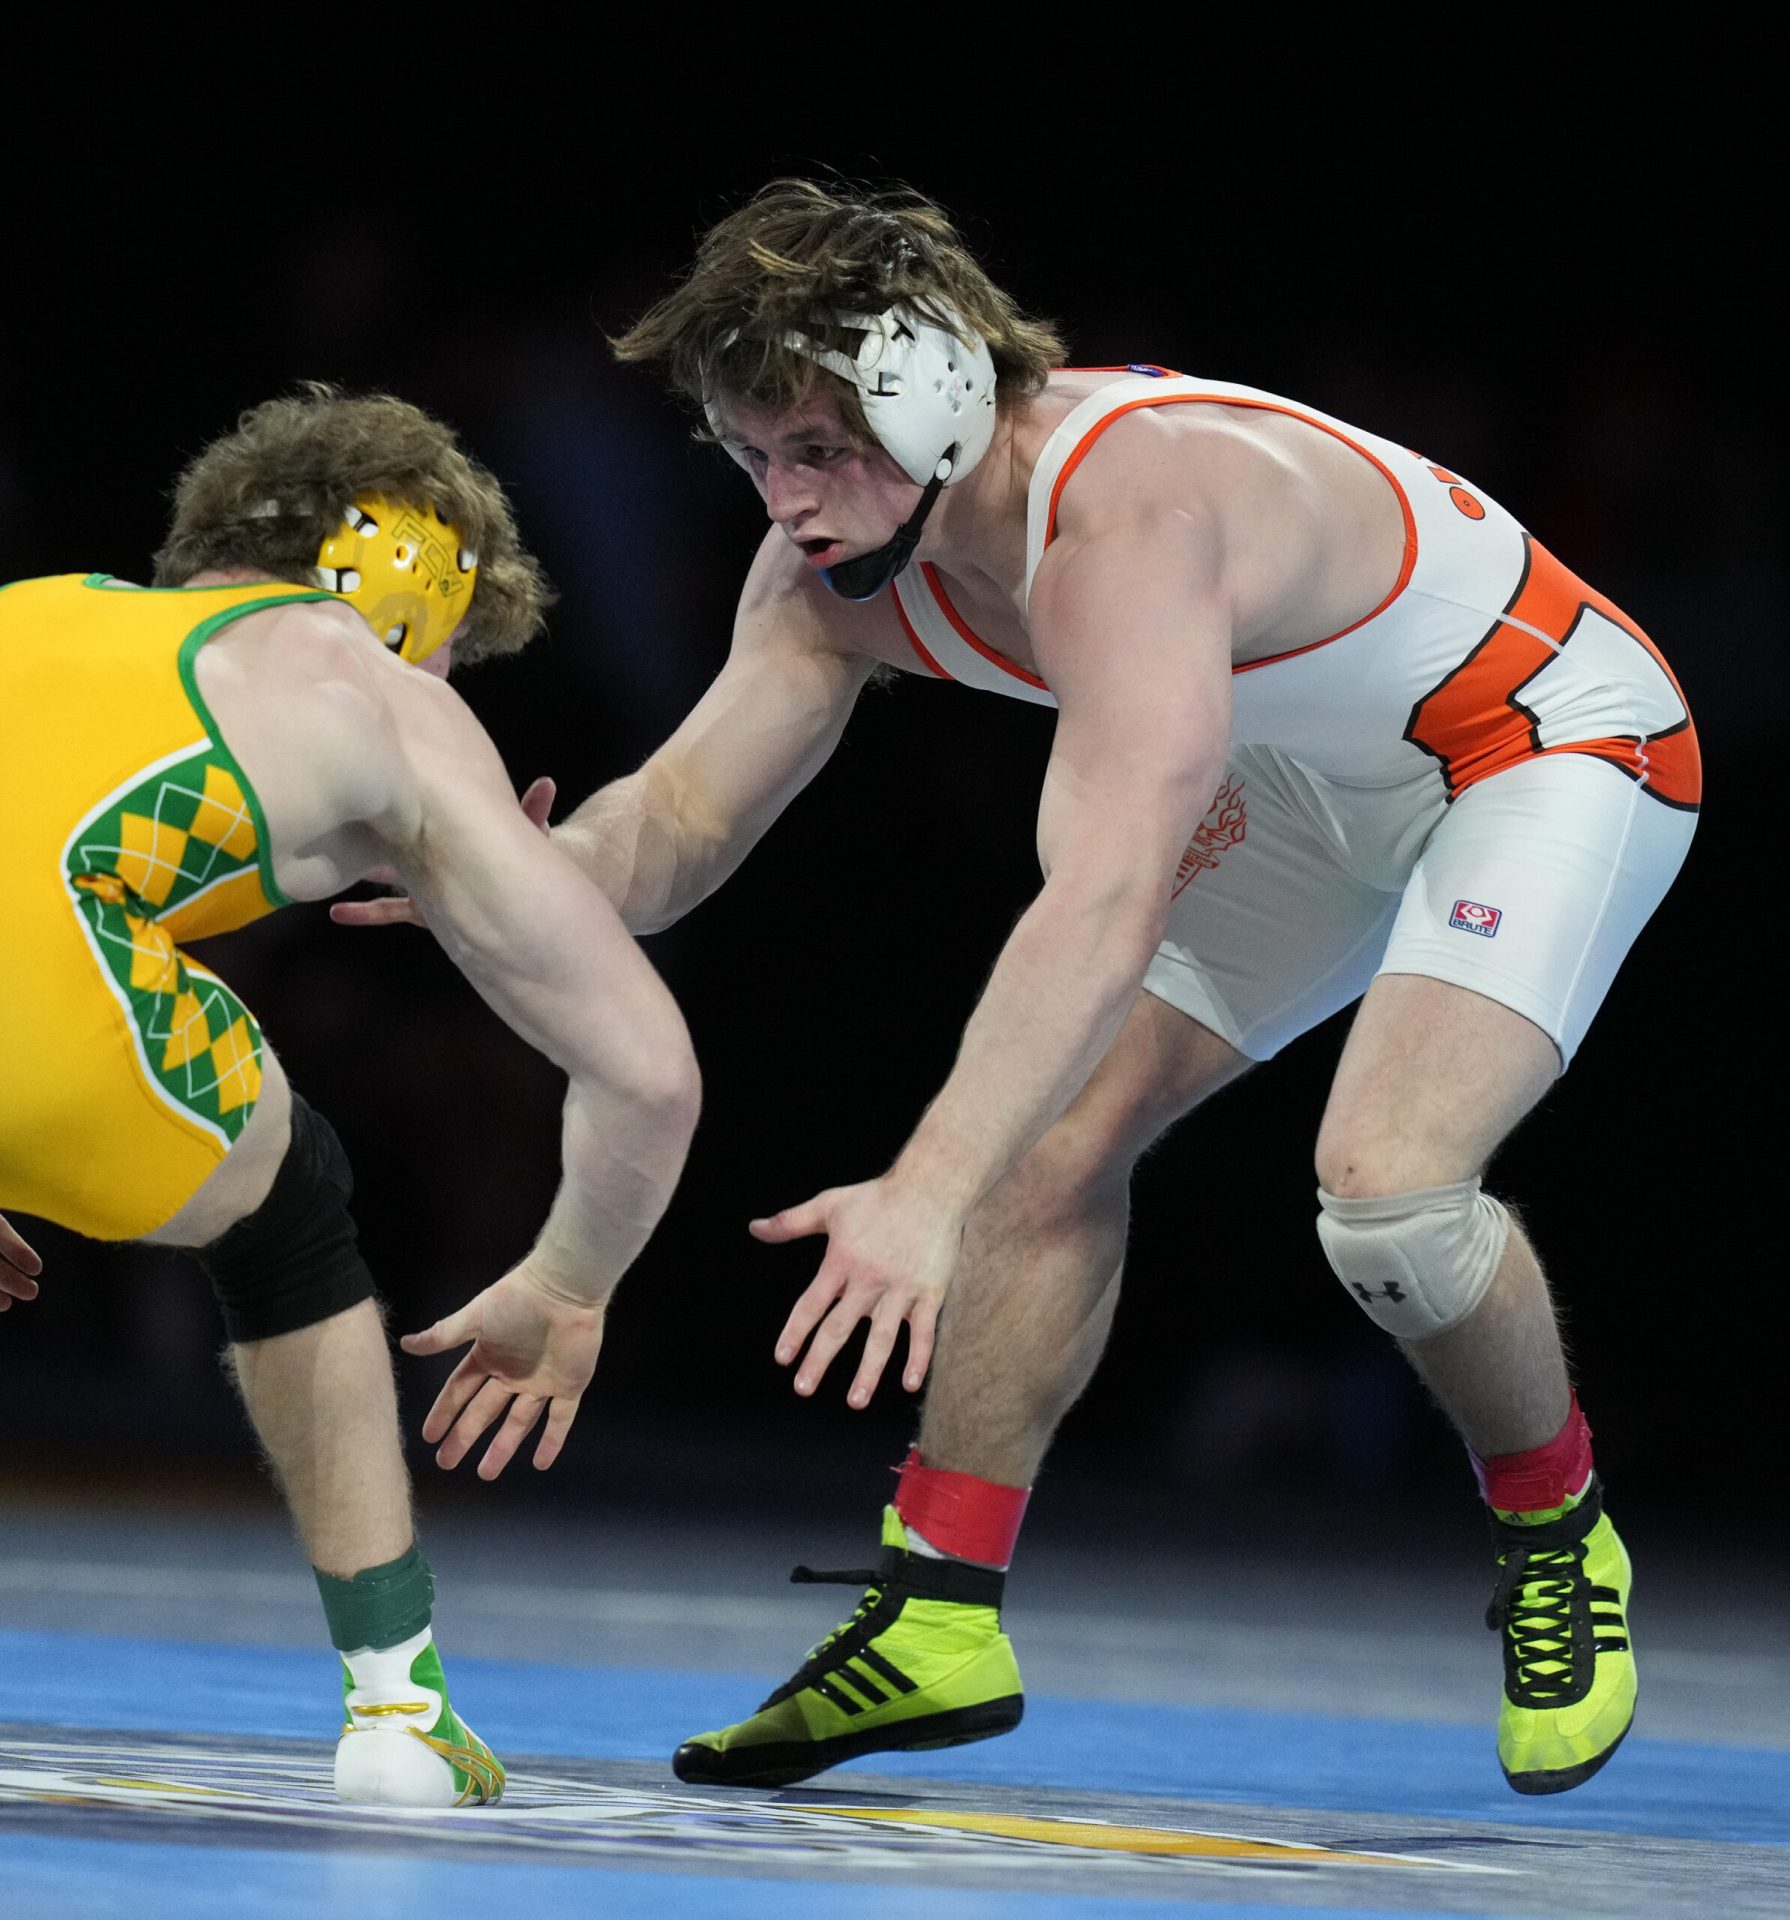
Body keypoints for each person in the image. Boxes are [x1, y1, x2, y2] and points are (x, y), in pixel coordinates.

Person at [350, 180, 1699, 1800]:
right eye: (753, 453)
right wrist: (510, 869)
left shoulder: (1130, 519)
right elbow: (685, 817)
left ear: (932, 395)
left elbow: (1105, 897)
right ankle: (938, 1619)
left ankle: (1555, 1533)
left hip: (1542, 739)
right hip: (1303, 775)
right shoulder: (826, 564)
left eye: (816, 448)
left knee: (1386, 1196)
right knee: (1038, 1150)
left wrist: (923, 1188)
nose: (785, 499)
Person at [0, 387, 701, 1809]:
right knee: (290, 1210)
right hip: (61, 1024)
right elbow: (647, 1070)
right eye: (451, 650)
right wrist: (571, 1280)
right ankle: (399, 1707)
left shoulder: (34, 607)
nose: (448, 683)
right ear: (395, 584)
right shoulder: (367, 684)